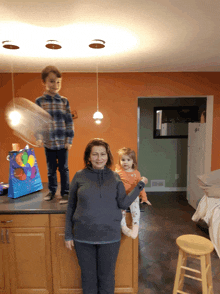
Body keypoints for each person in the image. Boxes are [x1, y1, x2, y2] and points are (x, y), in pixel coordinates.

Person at [65, 138, 148, 294]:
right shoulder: (79, 176)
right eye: (95, 154)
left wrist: (140, 186)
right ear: (88, 157)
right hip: (83, 237)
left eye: (102, 154)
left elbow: (123, 203)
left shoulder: (115, 177)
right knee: (88, 278)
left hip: (110, 236)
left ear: (108, 156)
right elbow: (71, 206)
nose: (99, 158)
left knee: (107, 278)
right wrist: (68, 234)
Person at [35, 65, 74, 204]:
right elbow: (37, 122)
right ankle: (52, 191)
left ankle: (65, 192)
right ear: (44, 82)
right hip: (49, 142)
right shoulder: (40, 101)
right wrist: (39, 138)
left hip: (62, 143)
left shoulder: (64, 101)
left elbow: (69, 122)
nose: (55, 85)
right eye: (52, 81)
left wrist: (69, 140)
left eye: (58, 82)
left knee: (64, 169)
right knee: (51, 170)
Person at [115, 147, 151, 239]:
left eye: (128, 160)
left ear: (133, 162)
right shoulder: (118, 173)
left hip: (133, 196)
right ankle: (124, 227)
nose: (125, 162)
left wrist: (144, 198)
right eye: (123, 160)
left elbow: (141, 187)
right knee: (120, 211)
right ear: (119, 161)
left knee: (135, 210)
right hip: (122, 197)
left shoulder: (136, 173)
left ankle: (135, 226)